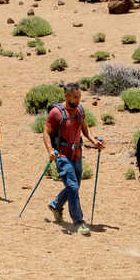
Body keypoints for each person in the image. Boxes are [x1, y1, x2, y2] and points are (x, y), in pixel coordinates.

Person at [42, 83, 104, 227]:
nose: (78, 100)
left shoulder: (80, 110)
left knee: (74, 186)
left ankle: (56, 205)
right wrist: (50, 150)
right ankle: (78, 221)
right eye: (75, 97)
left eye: (79, 97)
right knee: (73, 186)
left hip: (77, 153)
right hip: (62, 154)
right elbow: (46, 132)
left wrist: (94, 141)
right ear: (66, 96)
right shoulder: (56, 113)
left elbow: (85, 129)